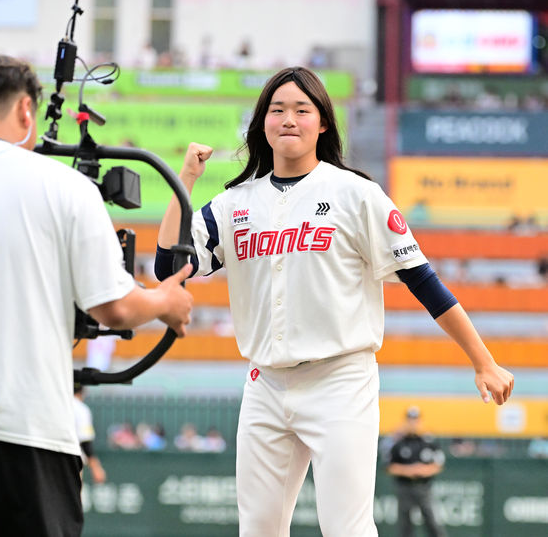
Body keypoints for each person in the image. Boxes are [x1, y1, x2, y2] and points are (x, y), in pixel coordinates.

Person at [154, 66, 515, 536]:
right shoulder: (234, 204)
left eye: (302, 110)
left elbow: (423, 281)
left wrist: (483, 361)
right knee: (258, 528)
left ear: (322, 122)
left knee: (347, 528)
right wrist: (185, 177)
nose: (288, 118)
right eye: (277, 109)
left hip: (340, 379)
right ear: (261, 121)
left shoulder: (357, 194)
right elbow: (167, 268)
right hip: (265, 383)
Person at [0, 50, 193, 537]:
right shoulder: (63, 185)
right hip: (22, 426)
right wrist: (167, 301)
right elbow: (113, 305)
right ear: (24, 113)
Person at [387, 407, 447, 537]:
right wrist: (409, 470)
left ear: (420, 421)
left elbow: (439, 463)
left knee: (432, 521)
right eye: (410, 419)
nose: (412, 423)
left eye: (415, 419)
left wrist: (422, 470)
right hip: (405, 486)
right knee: (405, 524)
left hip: (423, 487)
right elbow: (390, 465)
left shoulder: (428, 441)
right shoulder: (399, 443)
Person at [73, 385, 106, 484]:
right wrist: (96, 467)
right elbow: (85, 441)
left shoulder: (56, 405)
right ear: (82, 391)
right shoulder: (80, 408)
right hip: (71, 461)